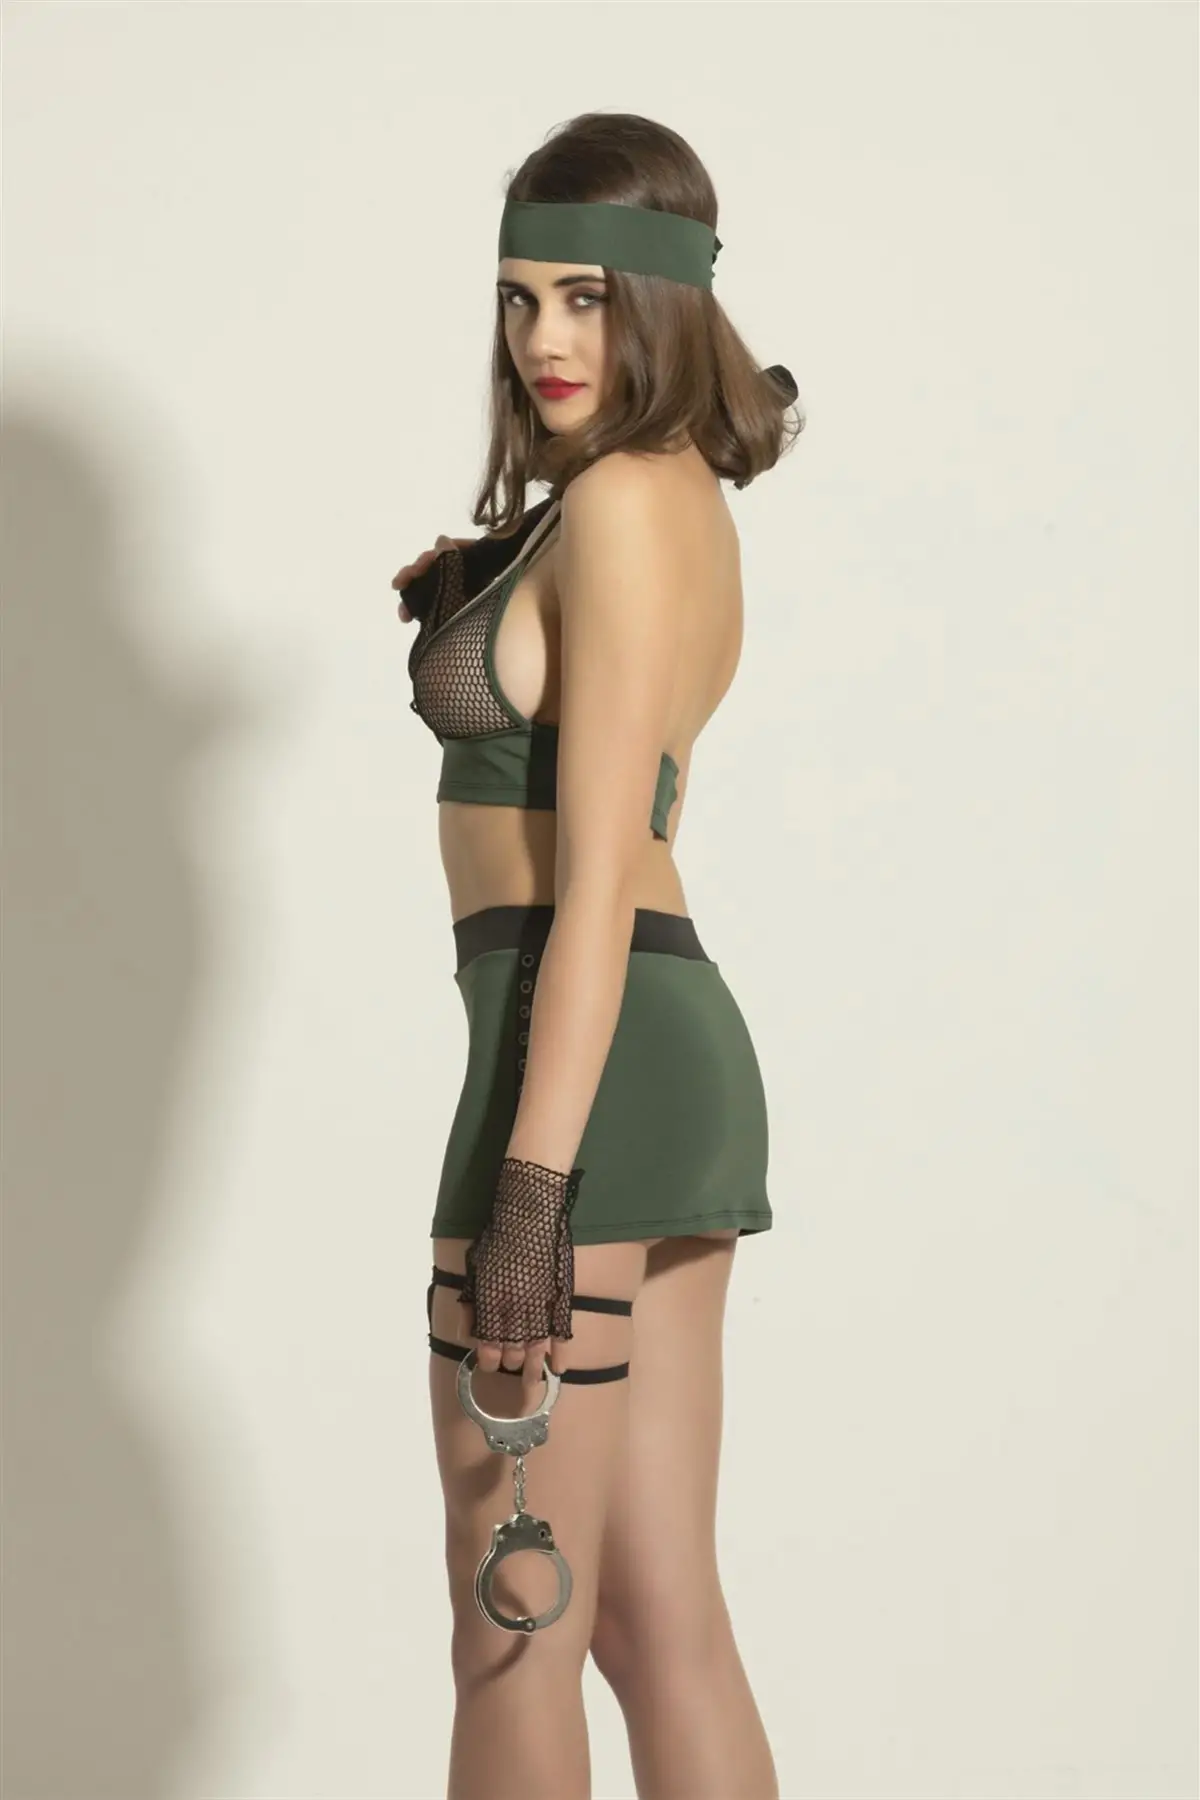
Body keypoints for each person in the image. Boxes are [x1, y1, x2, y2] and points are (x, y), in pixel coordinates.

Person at [391, 111, 802, 1800]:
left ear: (665, 301)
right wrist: (480, 592)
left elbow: (597, 879)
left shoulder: (625, 504)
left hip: (578, 1052)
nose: (544, 339)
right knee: (652, 1620)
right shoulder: (651, 500)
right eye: (519, 297)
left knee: (517, 1622)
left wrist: (533, 1191)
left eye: (586, 298)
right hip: (652, 1047)